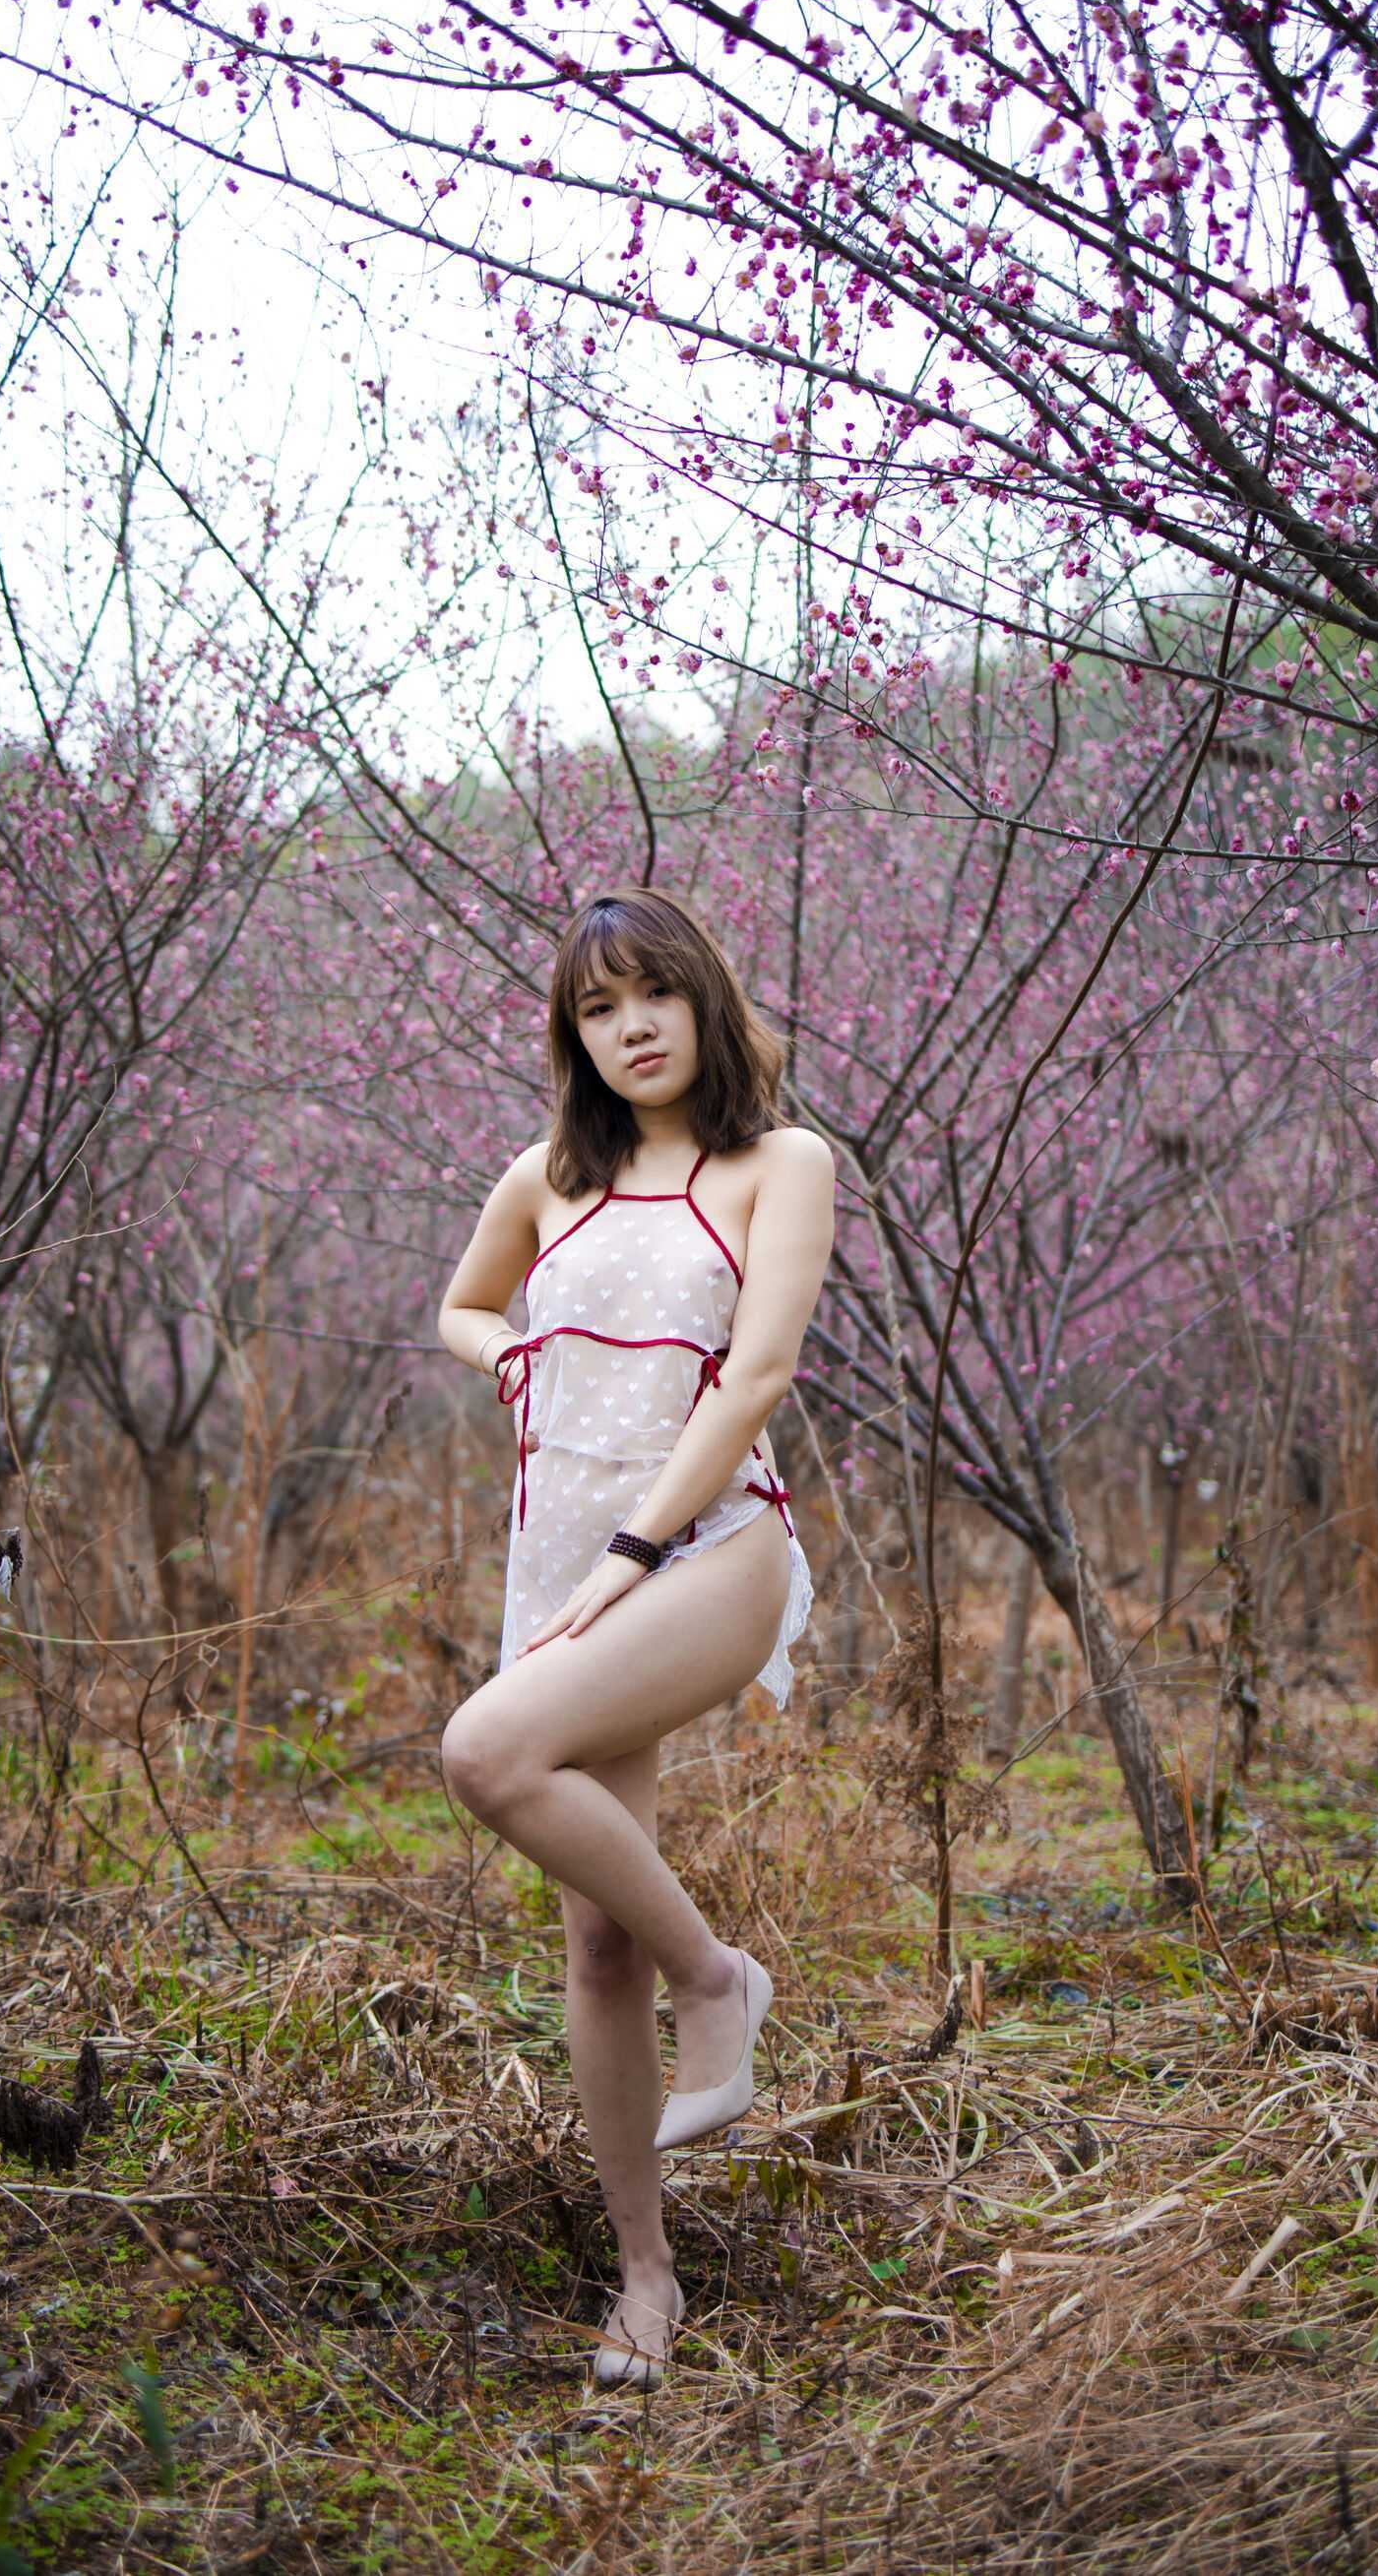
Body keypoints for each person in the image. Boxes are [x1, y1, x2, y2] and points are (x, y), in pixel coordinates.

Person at [436, 882, 835, 2389]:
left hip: (709, 1546)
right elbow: (462, 1308)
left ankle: (718, 1981)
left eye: (652, 993)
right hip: (559, 1555)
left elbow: (758, 1376)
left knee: (486, 1751)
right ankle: (645, 2277)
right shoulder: (547, 1176)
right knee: (595, 1943)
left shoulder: (780, 1164)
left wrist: (635, 1550)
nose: (631, 1028)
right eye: (597, 1010)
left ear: (702, 999)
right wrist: (510, 1355)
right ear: (575, 1039)